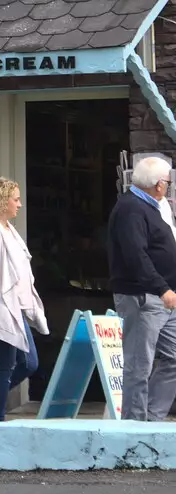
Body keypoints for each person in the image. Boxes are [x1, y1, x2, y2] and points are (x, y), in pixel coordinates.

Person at [107, 155, 176, 420]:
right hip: (144, 296)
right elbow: (136, 255)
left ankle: (152, 418)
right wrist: (161, 288)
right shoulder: (131, 209)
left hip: (163, 297)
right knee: (139, 364)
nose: (168, 187)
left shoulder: (153, 206)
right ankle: (135, 427)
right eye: (168, 183)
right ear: (159, 184)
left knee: (173, 357)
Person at [0, 177, 48, 423]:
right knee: (6, 366)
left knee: (28, 363)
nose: (20, 204)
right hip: (5, 310)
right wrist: (0, 304)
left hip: (17, 308)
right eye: (15, 199)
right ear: (1, 202)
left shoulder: (10, 231)